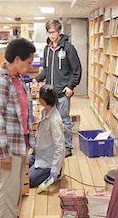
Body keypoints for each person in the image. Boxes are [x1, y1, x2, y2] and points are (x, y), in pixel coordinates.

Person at [0, 38, 35, 218]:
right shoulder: (0, 81)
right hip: (9, 144)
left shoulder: (17, 79)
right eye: (29, 62)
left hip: (19, 140)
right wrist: (3, 152)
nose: (30, 66)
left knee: (15, 186)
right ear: (17, 59)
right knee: (7, 188)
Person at [33, 20, 82, 157]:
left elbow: (76, 69)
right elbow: (47, 70)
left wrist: (71, 86)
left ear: (59, 31)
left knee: (64, 120)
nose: (51, 35)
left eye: (53, 32)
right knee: (50, 120)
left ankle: (67, 147)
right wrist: (36, 79)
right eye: (49, 32)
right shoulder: (47, 49)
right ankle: (54, 144)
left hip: (63, 91)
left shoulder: (68, 48)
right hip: (50, 92)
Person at [29, 85, 65, 189]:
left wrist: (55, 170)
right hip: (39, 155)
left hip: (48, 162)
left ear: (42, 100)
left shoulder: (54, 120)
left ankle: (52, 173)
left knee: (28, 180)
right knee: (20, 165)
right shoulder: (44, 112)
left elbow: (60, 147)